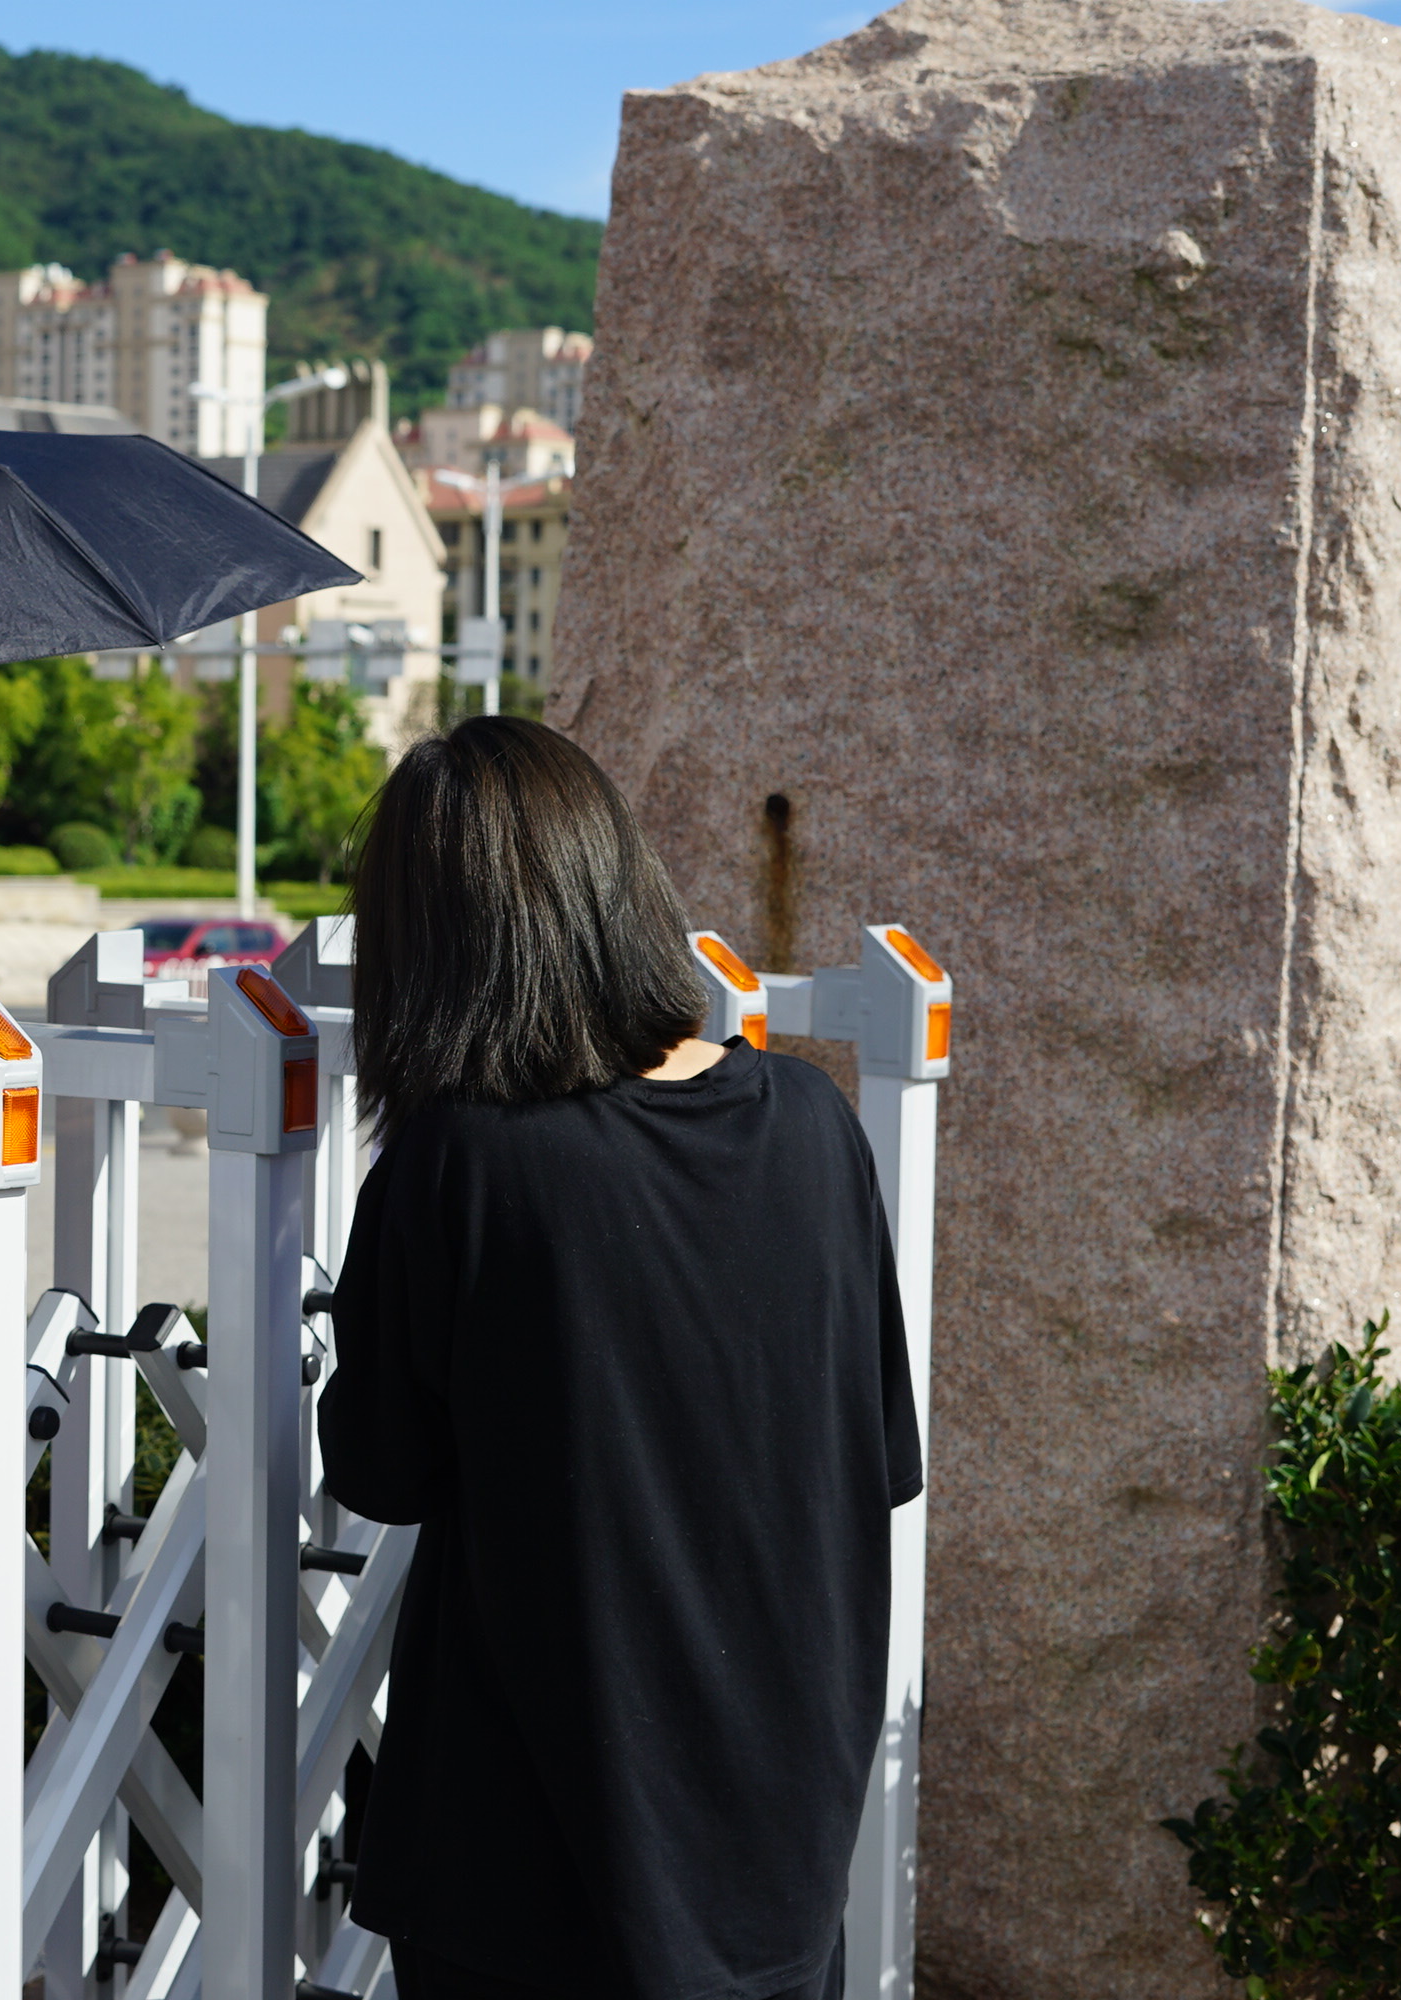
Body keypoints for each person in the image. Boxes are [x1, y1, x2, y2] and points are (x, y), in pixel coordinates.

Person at [316, 718, 922, 2000]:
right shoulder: (813, 1124)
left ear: (430, 951)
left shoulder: (459, 1163)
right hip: (779, 1851)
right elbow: (876, 1458)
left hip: (529, 1861)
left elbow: (378, 1468)